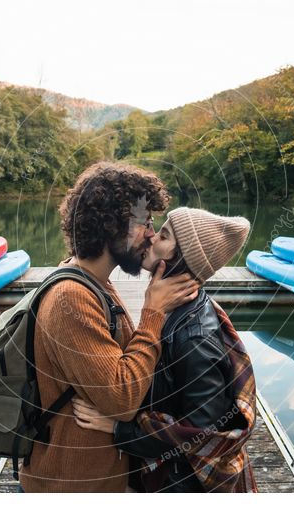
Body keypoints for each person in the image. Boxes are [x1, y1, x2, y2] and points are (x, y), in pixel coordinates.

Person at [18, 162, 201, 493]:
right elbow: (121, 399)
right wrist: (154, 311)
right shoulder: (70, 298)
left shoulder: (94, 282)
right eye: (144, 223)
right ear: (110, 224)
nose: (150, 233)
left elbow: (122, 369)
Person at [73, 207, 258, 492]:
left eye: (165, 235)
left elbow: (199, 440)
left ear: (182, 257)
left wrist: (117, 428)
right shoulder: (172, 310)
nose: (151, 237)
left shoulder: (194, 340)